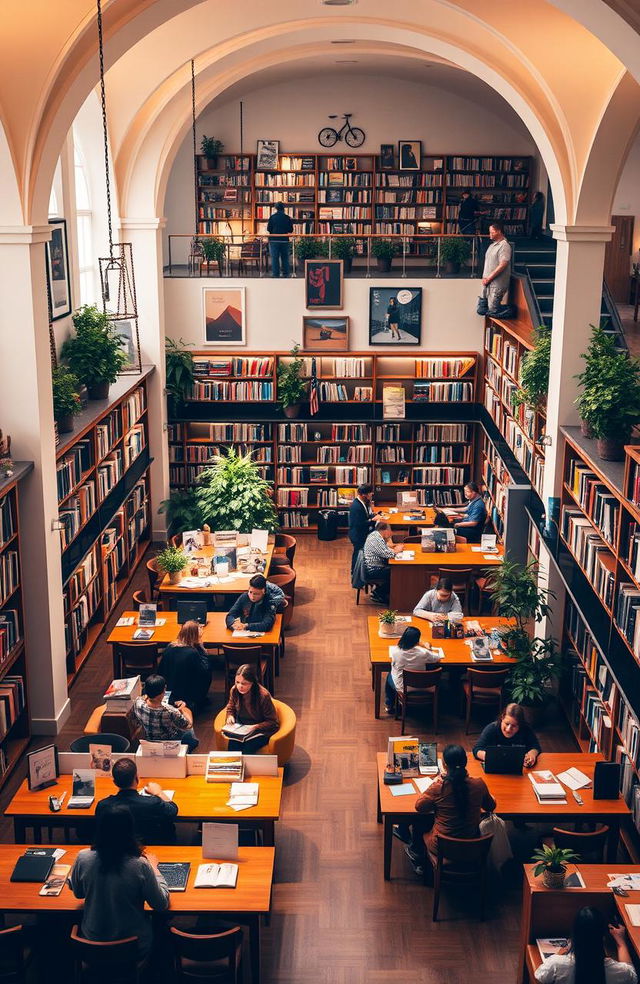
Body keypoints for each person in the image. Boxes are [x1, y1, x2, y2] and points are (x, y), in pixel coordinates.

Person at [69, 807, 170, 958]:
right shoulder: (140, 864)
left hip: (92, 946)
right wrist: (154, 869)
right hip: (133, 948)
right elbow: (161, 904)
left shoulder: (83, 857)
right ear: (130, 830)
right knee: (164, 925)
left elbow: (78, 893)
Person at [403, 744, 496, 875]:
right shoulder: (479, 785)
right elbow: (490, 807)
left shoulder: (439, 787)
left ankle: (417, 855)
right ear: (465, 762)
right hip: (472, 846)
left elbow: (419, 806)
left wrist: (435, 783)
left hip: (441, 847)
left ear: (445, 765)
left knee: (419, 822)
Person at [535, 906, 637, 983]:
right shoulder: (618, 971)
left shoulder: (556, 964)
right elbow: (632, 976)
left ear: (574, 934)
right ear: (603, 937)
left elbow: (540, 975)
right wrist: (621, 944)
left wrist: (559, 954)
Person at [95, 757, 178, 844]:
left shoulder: (103, 805)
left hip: (117, 846)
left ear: (114, 782)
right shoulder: (152, 803)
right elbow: (173, 810)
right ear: (137, 778)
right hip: (148, 845)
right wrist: (159, 793)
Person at [131, 674, 199, 751]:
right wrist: (183, 708)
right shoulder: (170, 711)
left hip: (150, 739)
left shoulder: (138, 703)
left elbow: (143, 697)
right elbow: (188, 725)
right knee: (189, 731)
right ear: (164, 689)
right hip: (170, 742)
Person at [384, 625, 441, 714]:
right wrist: (428, 648)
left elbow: (394, 666)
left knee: (389, 675)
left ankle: (389, 705)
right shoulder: (423, 653)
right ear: (417, 641)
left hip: (404, 687)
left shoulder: (396, 652)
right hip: (424, 686)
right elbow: (437, 658)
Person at [225, 663, 279, 755]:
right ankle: (234, 768)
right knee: (232, 745)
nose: (240, 686)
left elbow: (273, 722)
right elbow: (230, 707)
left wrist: (255, 727)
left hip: (260, 730)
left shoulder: (263, 696)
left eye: (244, 683)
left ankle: (249, 769)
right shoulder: (234, 690)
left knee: (248, 747)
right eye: (237, 682)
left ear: (252, 683)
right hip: (242, 727)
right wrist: (230, 716)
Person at [158, 620, 212, 711]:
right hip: (185, 692)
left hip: (169, 688)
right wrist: (201, 647)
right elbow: (204, 670)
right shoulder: (192, 652)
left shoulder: (170, 646)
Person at [473, 702, 541, 767]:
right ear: (502, 718)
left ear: (520, 724)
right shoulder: (491, 728)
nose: (508, 729)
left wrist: (532, 754)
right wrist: (489, 757)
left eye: (514, 726)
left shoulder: (526, 730)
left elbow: (535, 746)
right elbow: (477, 749)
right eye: (507, 724)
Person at [363, 521, 403, 605]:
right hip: (373, 570)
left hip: (375, 566)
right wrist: (397, 550)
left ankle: (381, 592)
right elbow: (387, 554)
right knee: (396, 573)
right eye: (390, 531)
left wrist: (394, 549)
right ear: (385, 530)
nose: (391, 534)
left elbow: (385, 550)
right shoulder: (376, 539)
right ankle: (378, 594)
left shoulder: (376, 536)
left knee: (396, 570)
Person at [481, 220, 512, 315]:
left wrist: (489, 278)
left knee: (492, 310)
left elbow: (503, 264)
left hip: (496, 284)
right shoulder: (492, 245)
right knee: (482, 309)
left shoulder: (504, 246)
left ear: (499, 231)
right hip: (487, 283)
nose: (490, 234)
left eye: (492, 232)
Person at [348, 483, 376, 573]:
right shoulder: (356, 507)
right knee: (358, 553)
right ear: (364, 494)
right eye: (370, 493)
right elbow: (359, 524)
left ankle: (358, 570)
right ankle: (355, 572)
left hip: (360, 532)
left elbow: (365, 516)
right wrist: (372, 520)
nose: (372, 494)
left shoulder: (362, 502)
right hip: (358, 534)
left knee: (359, 552)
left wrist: (373, 516)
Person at [266, 202, 293, 278]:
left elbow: (269, 229)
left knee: (275, 258)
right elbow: (290, 230)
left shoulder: (272, 217)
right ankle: (286, 274)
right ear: (283, 208)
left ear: (276, 208)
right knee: (285, 257)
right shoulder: (287, 217)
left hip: (274, 240)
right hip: (284, 240)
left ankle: (276, 274)